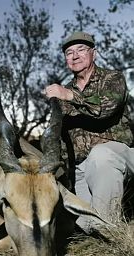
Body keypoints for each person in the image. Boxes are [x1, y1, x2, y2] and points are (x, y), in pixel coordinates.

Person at [43, 31, 134, 234]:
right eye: (69, 52)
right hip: (81, 169)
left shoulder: (113, 78)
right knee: (84, 226)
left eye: (81, 50)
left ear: (95, 53)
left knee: (100, 155)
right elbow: (56, 133)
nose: (74, 56)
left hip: (118, 156)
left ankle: (112, 232)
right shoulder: (62, 91)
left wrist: (68, 95)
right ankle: (101, 229)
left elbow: (104, 108)